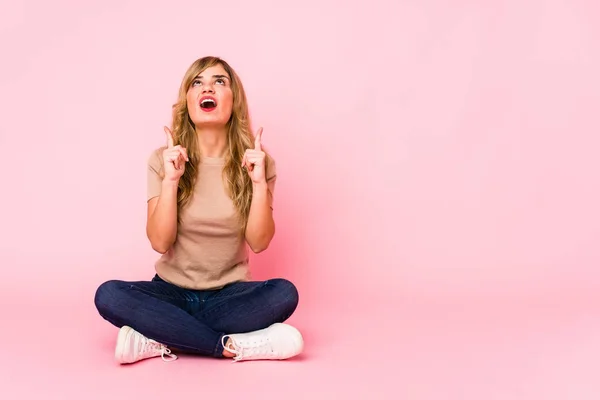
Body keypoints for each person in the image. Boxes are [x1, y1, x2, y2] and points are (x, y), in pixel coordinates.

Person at [94, 56, 303, 364]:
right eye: (198, 82)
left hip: (230, 295)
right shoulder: (163, 159)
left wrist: (258, 184)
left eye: (220, 81)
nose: (209, 87)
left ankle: (160, 336)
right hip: (171, 293)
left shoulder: (257, 161)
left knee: (285, 292)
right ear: (188, 100)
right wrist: (171, 180)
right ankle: (230, 346)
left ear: (234, 100)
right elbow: (159, 242)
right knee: (109, 294)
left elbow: (259, 243)